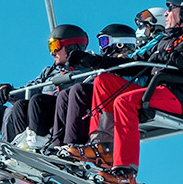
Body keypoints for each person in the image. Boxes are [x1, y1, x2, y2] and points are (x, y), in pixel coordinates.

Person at [88, 0, 183, 184]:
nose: (167, 14)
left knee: (125, 102)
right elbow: (133, 65)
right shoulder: (165, 41)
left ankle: (126, 174)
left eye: (172, 10)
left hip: (182, 96)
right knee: (103, 82)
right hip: (156, 91)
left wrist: (172, 57)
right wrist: (97, 63)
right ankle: (103, 149)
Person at [0, 24, 98, 175]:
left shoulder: (88, 71)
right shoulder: (49, 71)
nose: (51, 53)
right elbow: (30, 88)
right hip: (27, 117)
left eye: (55, 46)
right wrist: (9, 92)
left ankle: (10, 162)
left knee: (16, 109)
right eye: (50, 46)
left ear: (71, 47)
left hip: (52, 122)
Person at [54, 22, 137, 159]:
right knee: (64, 95)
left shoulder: (129, 59)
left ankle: (73, 144)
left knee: (79, 90)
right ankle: (57, 146)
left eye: (104, 41)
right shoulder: (105, 61)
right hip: (104, 92)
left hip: (119, 94)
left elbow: (125, 72)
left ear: (120, 43)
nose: (101, 47)